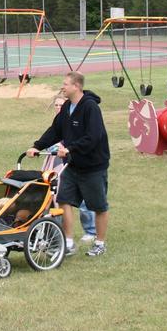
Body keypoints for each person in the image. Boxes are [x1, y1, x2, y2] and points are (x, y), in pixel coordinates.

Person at [27, 72, 110, 257]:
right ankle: (69, 242)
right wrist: (36, 146)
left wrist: (71, 149)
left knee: (98, 206)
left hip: (93, 166)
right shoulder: (66, 107)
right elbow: (55, 130)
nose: (62, 87)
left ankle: (100, 242)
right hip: (72, 166)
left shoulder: (90, 107)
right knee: (64, 200)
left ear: (77, 86)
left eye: (65, 84)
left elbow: (94, 137)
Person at [37, 95, 98, 244]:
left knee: (82, 198)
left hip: (75, 162)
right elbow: (50, 136)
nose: (58, 108)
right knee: (55, 196)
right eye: (56, 105)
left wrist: (66, 148)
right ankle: (57, 231)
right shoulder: (58, 122)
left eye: (61, 105)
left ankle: (91, 231)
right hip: (55, 162)